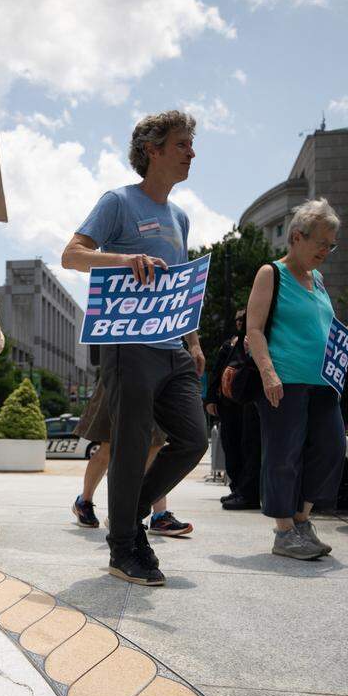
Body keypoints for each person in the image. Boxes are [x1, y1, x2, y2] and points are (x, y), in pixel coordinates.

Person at [61, 110, 208, 586]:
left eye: (190, 144)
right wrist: (126, 258)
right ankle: (124, 546)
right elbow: (72, 254)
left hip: (174, 348)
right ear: (154, 149)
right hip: (128, 345)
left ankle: (134, 510)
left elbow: (182, 288)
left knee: (193, 439)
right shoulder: (119, 202)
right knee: (128, 447)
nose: (191, 152)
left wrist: (193, 340)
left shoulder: (179, 217)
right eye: (183, 144)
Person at [245, 198, 348, 560]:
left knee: (331, 447)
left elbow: (321, 325)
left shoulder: (319, 279)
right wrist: (268, 373)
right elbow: (255, 330)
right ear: (297, 236)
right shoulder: (271, 274)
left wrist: (346, 335)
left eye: (331, 245)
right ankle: (284, 532)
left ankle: (301, 520)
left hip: (324, 381)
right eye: (321, 243)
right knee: (283, 454)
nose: (326, 251)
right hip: (285, 380)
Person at [71, 380, 193, 536]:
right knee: (109, 445)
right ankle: (84, 502)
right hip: (122, 371)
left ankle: (159, 515)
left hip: (156, 377)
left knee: (156, 443)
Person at [207, 311, 262, 510]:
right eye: (237, 320)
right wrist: (211, 398)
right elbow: (217, 371)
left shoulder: (253, 341)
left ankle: (246, 491)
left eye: (243, 320)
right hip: (229, 405)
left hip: (246, 403)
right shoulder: (230, 345)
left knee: (248, 448)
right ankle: (238, 488)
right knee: (231, 448)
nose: (240, 323)